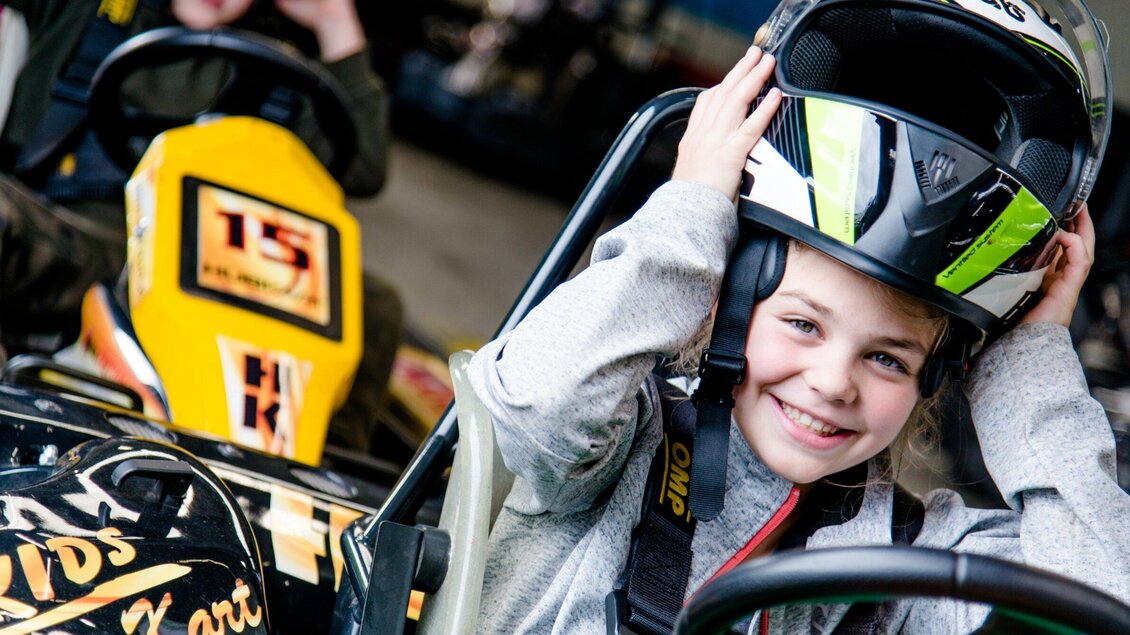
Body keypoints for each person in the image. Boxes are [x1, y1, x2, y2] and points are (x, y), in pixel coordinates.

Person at [465, 0, 1130, 632]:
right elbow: (532, 407)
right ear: (724, 299)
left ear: (938, 375)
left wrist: (1028, 358)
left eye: (888, 358)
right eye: (804, 325)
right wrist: (691, 213)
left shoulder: (910, 558)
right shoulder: (616, 444)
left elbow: (1101, 602)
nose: (835, 382)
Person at [0, 0, 400, 453]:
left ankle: (314, 479)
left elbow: (366, 166)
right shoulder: (85, 10)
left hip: (217, 268)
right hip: (88, 241)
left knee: (373, 307)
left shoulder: (283, 72)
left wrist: (333, 19)